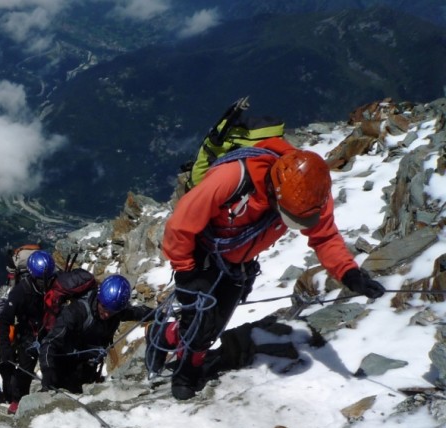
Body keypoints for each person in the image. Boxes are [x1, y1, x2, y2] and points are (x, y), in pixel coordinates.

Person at [157, 140, 385, 400]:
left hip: (239, 263)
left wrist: (349, 273)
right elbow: (180, 225)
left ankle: (169, 334)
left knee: (215, 323)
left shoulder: (311, 191)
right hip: (202, 255)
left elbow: (324, 236)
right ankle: (187, 373)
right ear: (274, 190)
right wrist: (187, 272)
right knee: (201, 318)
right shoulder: (231, 178)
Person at [40, 275, 155, 393]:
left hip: (88, 368)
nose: (106, 315)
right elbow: (49, 342)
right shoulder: (76, 312)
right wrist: (48, 370)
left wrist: (158, 313)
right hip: (63, 367)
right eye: (103, 308)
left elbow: (137, 312)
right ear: (99, 299)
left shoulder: (115, 308)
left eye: (111, 312)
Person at [0, 249, 56, 413]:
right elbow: (4, 320)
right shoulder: (19, 292)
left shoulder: (53, 283)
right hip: (28, 334)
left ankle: (51, 394)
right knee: (25, 369)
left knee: (49, 363)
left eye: (48, 279)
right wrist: (5, 349)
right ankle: (18, 402)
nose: (45, 283)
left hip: (46, 329)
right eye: (42, 280)